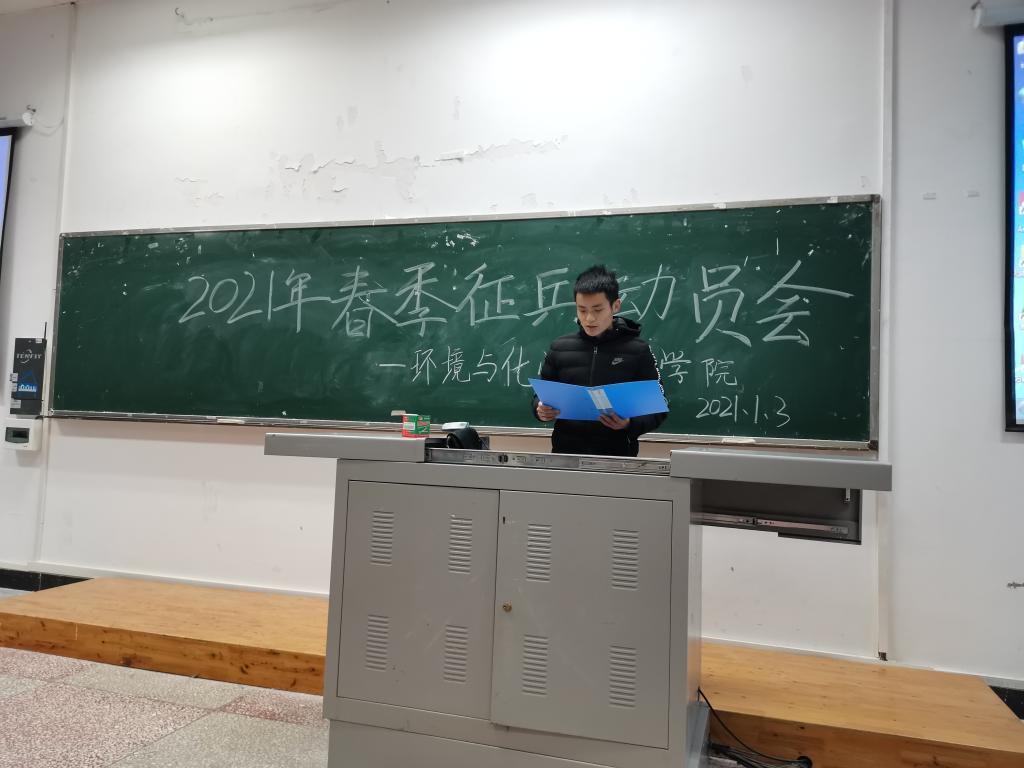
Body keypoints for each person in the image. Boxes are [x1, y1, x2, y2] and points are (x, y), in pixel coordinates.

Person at [532, 265, 667, 456]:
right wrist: (540, 409)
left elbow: (658, 407)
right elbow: (541, 396)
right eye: (582, 310)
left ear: (615, 306)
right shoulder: (559, 348)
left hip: (618, 457)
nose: (589, 318)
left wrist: (629, 423)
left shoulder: (638, 350)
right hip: (566, 456)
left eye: (597, 310)